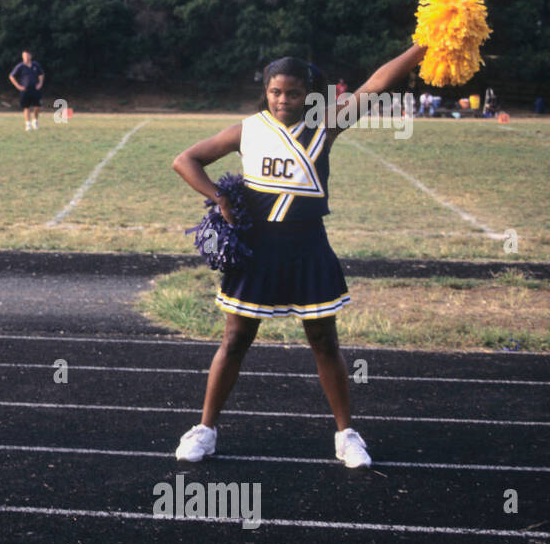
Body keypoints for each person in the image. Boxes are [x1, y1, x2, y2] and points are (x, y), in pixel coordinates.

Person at [170, 46, 426, 469]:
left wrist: (421, 49)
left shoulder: (325, 124)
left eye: (291, 92)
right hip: (257, 252)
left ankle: (346, 435)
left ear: (309, 93)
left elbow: (376, 84)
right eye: (275, 92)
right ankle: (206, 430)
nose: (282, 100)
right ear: (266, 92)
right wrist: (218, 198)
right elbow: (185, 160)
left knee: (324, 340)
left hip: (308, 247)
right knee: (235, 339)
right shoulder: (248, 130)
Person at [9, 50, 44, 131]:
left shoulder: (36, 65)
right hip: (25, 90)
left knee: (38, 106)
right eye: (24, 56)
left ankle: (35, 121)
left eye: (27, 55)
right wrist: (18, 86)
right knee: (26, 107)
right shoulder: (20, 66)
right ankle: (28, 124)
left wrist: (40, 83)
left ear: (30, 56)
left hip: (35, 89)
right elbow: (11, 76)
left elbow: (41, 74)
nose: (25, 57)